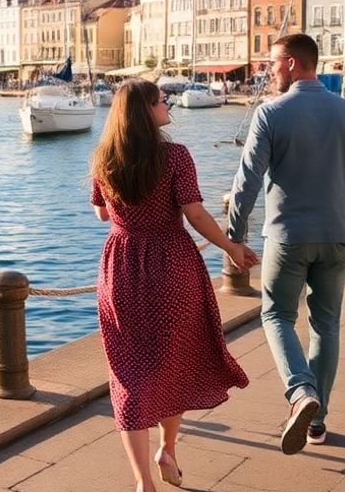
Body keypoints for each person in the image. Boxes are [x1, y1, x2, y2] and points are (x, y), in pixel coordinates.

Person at [89, 79, 258, 492]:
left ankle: (143, 482)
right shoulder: (175, 156)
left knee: (128, 373)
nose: (168, 105)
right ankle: (168, 448)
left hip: (122, 270)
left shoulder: (103, 158)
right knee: (173, 362)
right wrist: (232, 248)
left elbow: (100, 215)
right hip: (172, 267)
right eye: (162, 101)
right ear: (146, 110)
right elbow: (195, 215)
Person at [227, 33, 345, 455]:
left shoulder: (270, 114)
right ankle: (318, 422)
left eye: (273, 62)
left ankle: (299, 393)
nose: (269, 69)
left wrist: (234, 238)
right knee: (326, 324)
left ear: (293, 63)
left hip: (287, 236)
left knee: (276, 314)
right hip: (336, 235)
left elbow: (248, 181)